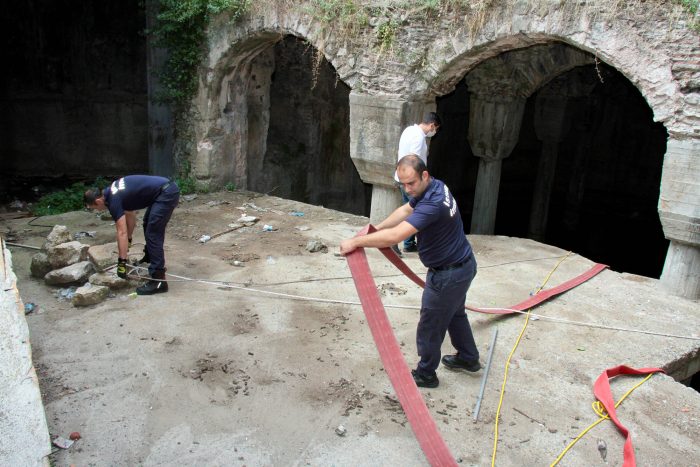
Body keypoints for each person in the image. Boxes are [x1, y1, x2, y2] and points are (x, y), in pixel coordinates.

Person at [341, 155, 480, 388]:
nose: (407, 189)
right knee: (455, 314)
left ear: (424, 175)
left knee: (430, 325)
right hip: (462, 265)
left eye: (411, 183)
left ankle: (426, 374)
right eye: (403, 184)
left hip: (448, 275)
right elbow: (405, 210)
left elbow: (396, 236)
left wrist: (356, 242)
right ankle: (468, 358)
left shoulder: (433, 204)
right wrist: (376, 228)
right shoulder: (434, 186)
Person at [84, 175, 180, 295]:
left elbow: (121, 232)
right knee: (147, 223)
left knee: (153, 233)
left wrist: (122, 263)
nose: (98, 210)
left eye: (94, 208)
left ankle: (158, 280)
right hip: (164, 189)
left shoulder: (113, 201)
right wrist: (129, 239)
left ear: (98, 201)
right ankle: (150, 258)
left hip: (166, 192)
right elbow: (131, 216)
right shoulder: (112, 192)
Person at [395, 112, 441, 253]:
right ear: (432, 125)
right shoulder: (419, 138)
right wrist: (420, 182)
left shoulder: (409, 130)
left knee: (409, 211)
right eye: (436, 129)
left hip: (402, 178)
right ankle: (395, 241)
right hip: (412, 182)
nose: (434, 132)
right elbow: (413, 161)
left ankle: (408, 243)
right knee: (418, 212)